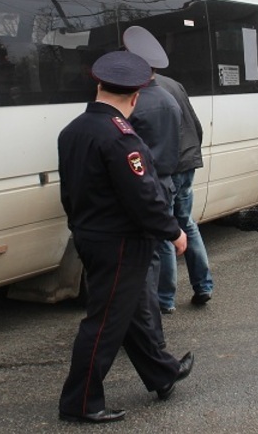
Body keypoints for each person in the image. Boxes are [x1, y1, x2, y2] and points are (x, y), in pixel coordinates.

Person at [57, 50, 195, 424]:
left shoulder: (72, 131)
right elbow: (144, 197)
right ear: (135, 97)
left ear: (99, 86)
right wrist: (174, 232)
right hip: (120, 242)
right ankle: (80, 402)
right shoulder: (122, 139)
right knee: (103, 324)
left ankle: (162, 373)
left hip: (90, 235)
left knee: (130, 311)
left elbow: (68, 193)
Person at [123, 26, 215, 312]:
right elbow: (196, 126)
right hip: (188, 161)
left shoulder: (138, 93)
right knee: (186, 223)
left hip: (168, 166)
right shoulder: (173, 84)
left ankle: (165, 299)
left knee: (165, 229)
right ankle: (204, 285)